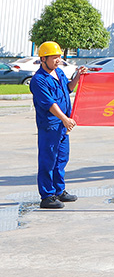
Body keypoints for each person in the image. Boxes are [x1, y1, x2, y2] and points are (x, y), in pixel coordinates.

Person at [29, 41, 88, 210]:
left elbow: (67, 89)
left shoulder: (59, 73)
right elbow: (49, 103)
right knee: (48, 160)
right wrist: (64, 118)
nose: (58, 60)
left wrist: (77, 76)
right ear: (43, 59)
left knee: (62, 158)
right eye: (54, 57)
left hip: (62, 125)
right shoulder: (39, 80)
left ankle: (59, 190)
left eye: (59, 57)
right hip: (50, 125)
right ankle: (47, 196)